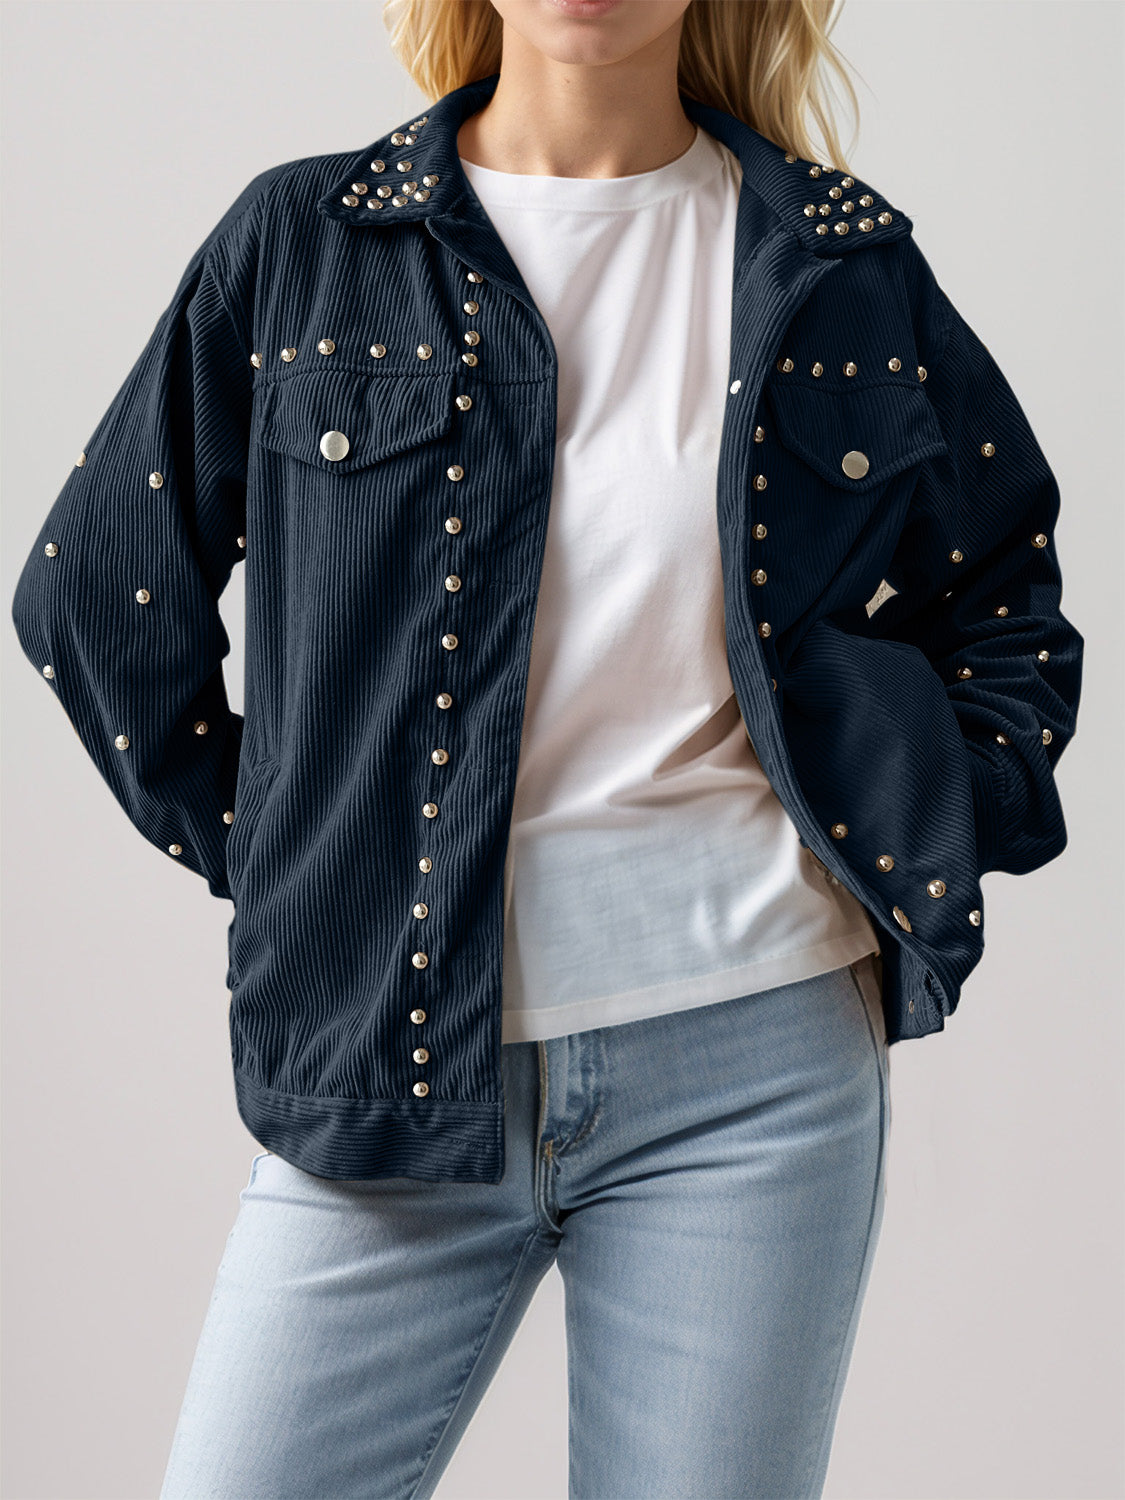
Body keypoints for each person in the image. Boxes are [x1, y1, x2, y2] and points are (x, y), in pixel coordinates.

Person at [10, 1, 1083, 1496]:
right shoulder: (305, 244)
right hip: (383, 1059)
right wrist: (297, 864)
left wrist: (931, 821)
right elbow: (94, 593)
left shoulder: (838, 264)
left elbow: (1003, 594)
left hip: (756, 1065)